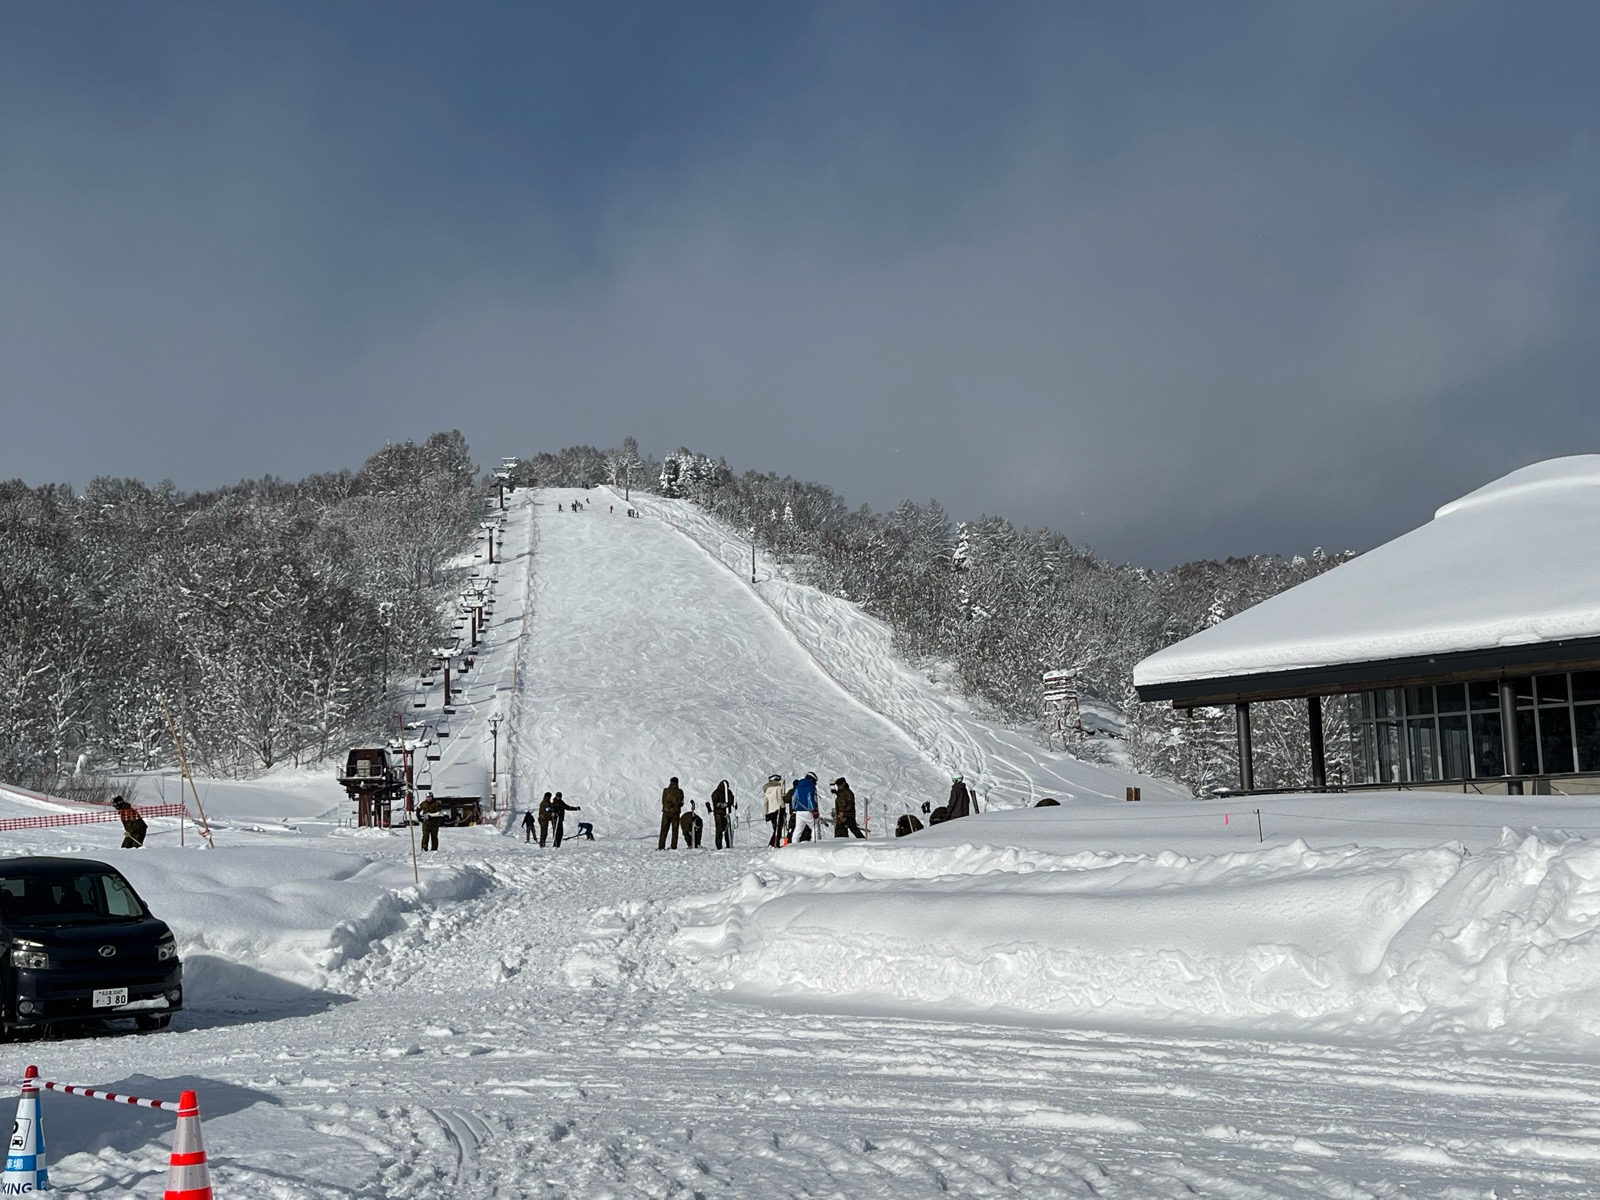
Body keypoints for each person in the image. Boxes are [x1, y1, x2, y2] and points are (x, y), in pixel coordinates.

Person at [789, 772, 820, 844]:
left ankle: (794, 844)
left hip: (799, 812)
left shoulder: (798, 786)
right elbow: (810, 798)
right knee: (815, 828)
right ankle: (817, 845)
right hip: (808, 811)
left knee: (798, 829)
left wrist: (794, 808)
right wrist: (814, 810)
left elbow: (794, 798)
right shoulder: (811, 787)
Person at [659, 777, 685, 849]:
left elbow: (663, 801)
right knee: (675, 830)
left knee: (664, 829)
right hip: (675, 813)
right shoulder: (680, 792)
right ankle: (674, 846)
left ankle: (661, 846)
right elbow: (681, 803)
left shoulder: (666, 791)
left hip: (666, 812)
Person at [709, 780, 735, 849]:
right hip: (719, 814)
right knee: (719, 829)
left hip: (727, 813)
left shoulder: (728, 792)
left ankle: (729, 845)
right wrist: (721, 805)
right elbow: (715, 803)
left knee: (728, 829)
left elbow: (732, 799)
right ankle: (719, 846)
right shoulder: (715, 793)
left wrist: (733, 803)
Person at [763, 775, 786, 847]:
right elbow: (779, 798)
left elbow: (765, 802)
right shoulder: (777, 788)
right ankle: (773, 843)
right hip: (778, 811)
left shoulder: (767, 790)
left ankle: (774, 843)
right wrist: (783, 807)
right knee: (778, 829)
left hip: (771, 812)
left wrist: (766, 813)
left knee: (775, 828)